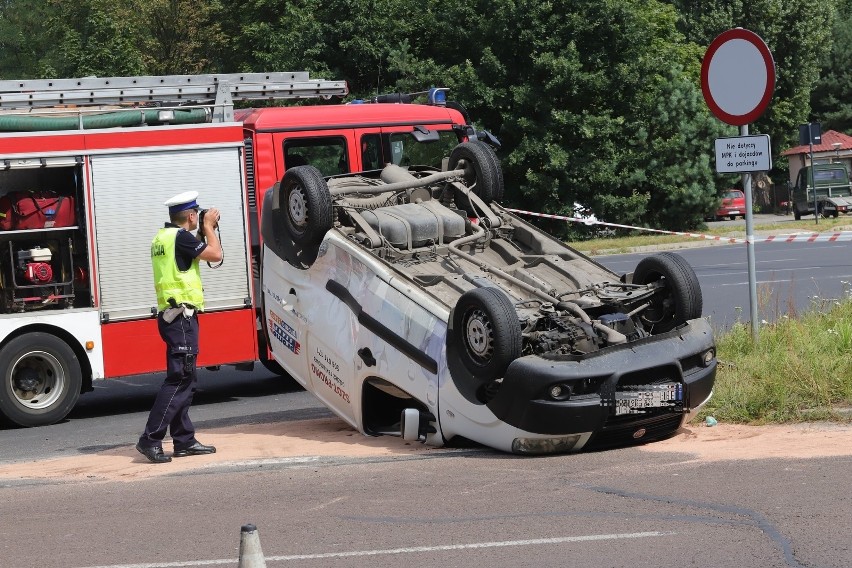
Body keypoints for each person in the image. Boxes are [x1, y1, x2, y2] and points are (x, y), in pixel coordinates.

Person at [135, 191, 222, 464]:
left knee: (186, 379)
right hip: (181, 318)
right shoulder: (181, 238)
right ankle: (150, 440)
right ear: (192, 216)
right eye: (199, 216)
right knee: (179, 379)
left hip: (171, 316)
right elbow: (215, 255)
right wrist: (209, 229)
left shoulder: (163, 238)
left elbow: (187, 257)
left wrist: (203, 231)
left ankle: (184, 440)